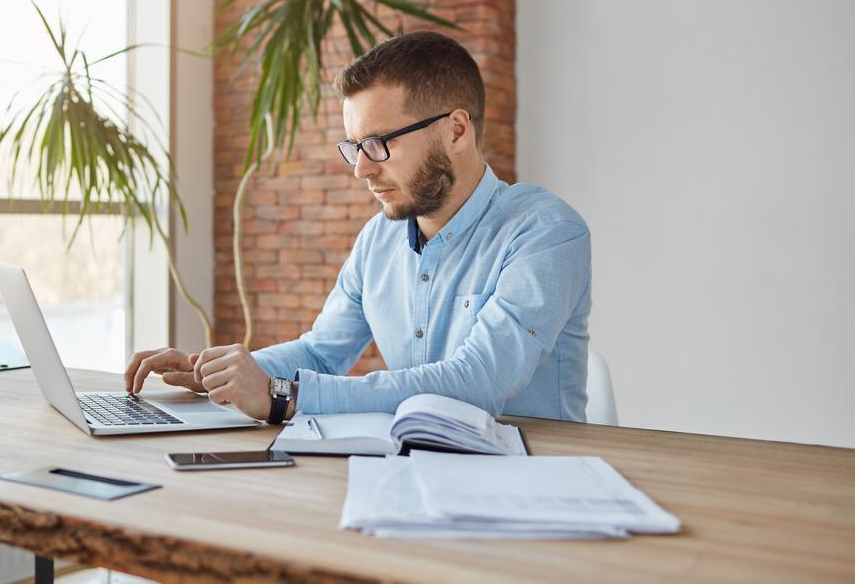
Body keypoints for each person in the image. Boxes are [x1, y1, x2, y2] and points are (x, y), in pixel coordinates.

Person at [123, 31, 592, 424]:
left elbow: (478, 383)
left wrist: (284, 396)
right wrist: (213, 371)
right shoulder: (379, 240)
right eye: (353, 147)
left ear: (456, 130)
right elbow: (322, 353)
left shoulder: (545, 231)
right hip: (412, 472)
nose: (361, 170)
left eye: (378, 143)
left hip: (531, 485)